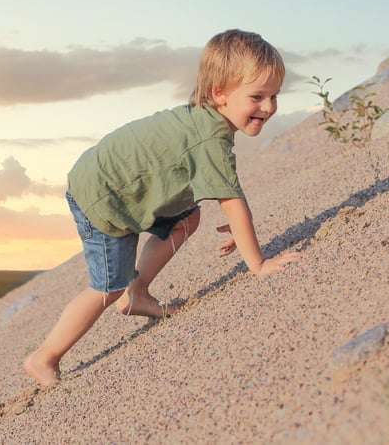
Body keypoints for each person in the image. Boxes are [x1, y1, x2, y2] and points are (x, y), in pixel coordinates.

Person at [25, 29, 303, 387]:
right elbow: (233, 203)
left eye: (274, 96)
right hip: (103, 197)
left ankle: (137, 294)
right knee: (107, 285)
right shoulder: (210, 136)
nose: (269, 107)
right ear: (220, 93)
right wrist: (260, 264)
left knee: (187, 218)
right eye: (257, 96)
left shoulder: (205, 119)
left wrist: (238, 228)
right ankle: (44, 357)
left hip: (116, 184)